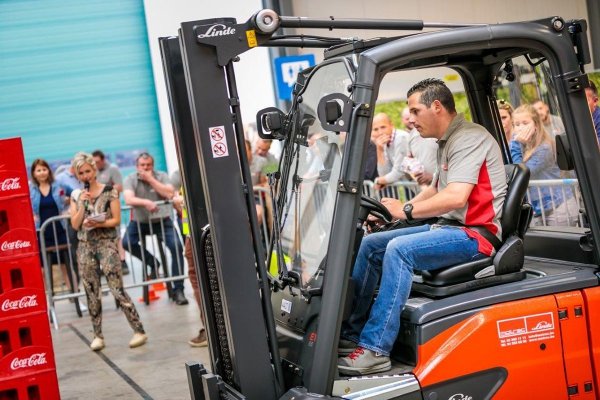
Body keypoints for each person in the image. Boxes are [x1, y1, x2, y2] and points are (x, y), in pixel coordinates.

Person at [337, 78, 507, 375]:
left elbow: (455, 196)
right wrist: (396, 213)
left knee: (398, 250)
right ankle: (352, 335)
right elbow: (434, 191)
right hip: (449, 229)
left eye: (415, 112)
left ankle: (376, 349)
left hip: (475, 235)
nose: (411, 120)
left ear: (437, 106)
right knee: (371, 244)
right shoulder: (447, 141)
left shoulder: (468, 138)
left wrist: (405, 210)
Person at [69, 152, 147, 351]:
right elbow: (75, 224)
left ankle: (138, 330)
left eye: (88, 171)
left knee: (116, 288)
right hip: (85, 246)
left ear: (94, 170)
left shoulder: (110, 191)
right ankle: (97, 335)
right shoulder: (76, 195)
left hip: (106, 244)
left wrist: (98, 222)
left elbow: (115, 220)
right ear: (77, 175)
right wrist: (81, 206)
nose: (85, 175)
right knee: (91, 290)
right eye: (81, 173)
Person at [121, 152, 188, 305]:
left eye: (148, 165)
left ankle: (178, 290)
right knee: (127, 242)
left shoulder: (162, 175)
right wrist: (145, 202)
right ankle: (153, 262)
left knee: (176, 247)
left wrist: (151, 180)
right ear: (137, 167)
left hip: (162, 220)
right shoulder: (130, 179)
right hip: (140, 221)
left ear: (152, 165)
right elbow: (128, 198)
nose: (145, 168)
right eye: (142, 166)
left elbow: (170, 193)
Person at [510, 104, 579, 226]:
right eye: (517, 124)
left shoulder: (545, 147)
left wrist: (516, 143)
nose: (520, 128)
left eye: (525, 123)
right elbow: (508, 168)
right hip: (537, 208)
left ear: (536, 125)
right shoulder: (519, 145)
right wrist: (515, 144)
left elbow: (522, 174)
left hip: (558, 207)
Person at [29, 159, 72, 290]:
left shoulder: (59, 184)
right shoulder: (30, 189)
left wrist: (70, 206)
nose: (42, 173)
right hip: (41, 232)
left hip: (60, 229)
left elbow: (75, 194)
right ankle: (48, 301)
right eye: (38, 170)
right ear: (34, 173)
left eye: (44, 169)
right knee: (43, 268)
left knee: (66, 265)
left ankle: (75, 294)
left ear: (48, 171)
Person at [92, 150, 129, 275]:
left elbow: (119, 187)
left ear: (103, 160)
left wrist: (104, 192)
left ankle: (123, 262)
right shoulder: (93, 171)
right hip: (98, 209)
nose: (95, 164)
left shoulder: (112, 169)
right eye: (94, 162)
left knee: (117, 236)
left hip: (112, 207)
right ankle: (106, 264)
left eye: (97, 161)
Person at [371, 113, 410, 189]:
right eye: (376, 129)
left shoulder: (401, 138)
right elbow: (385, 174)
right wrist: (379, 150)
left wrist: (378, 181)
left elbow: (398, 172)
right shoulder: (386, 142)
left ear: (391, 125)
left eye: (383, 127)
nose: (380, 132)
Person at [403, 107, 438, 186]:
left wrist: (433, 177)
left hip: (444, 189)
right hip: (424, 190)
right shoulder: (412, 135)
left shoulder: (440, 131)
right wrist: (410, 170)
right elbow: (409, 160)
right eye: (409, 117)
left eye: (415, 113)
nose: (411, 120)